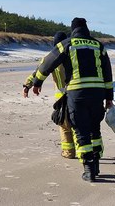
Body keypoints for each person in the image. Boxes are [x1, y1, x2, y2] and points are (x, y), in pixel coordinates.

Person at [28, 17, 113, 182]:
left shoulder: (67, 44)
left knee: (81, 130)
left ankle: (88, 170)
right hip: (97, 94)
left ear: (72, 29)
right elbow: (107, 73)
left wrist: (37, 82)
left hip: (77, 94)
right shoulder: (98, 45)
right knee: (95, 129)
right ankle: (95, 164)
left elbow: (46, 64)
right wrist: (109, 96)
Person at [23, 31, 76, 159]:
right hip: (75, 94)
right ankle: (82, 152)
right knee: (76, 124)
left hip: (60, 98)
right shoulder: (74, 55)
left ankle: (68, 152)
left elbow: (38, 72)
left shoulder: (50, 57)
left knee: (64, 126)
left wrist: (27, 85)